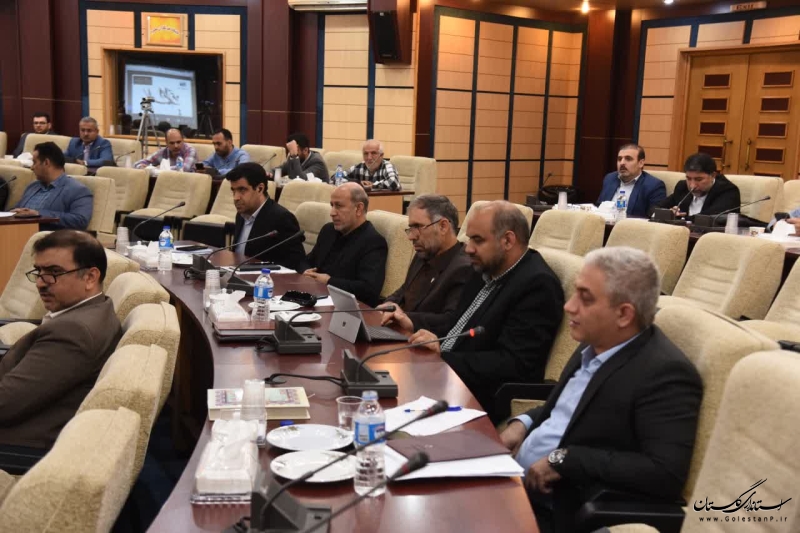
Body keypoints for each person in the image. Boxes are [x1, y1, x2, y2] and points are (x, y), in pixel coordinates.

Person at [499, 247, 703, 533]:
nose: (569, 306)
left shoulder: (665, 374)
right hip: (514, 485)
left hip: (557, 512)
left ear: (624, 314)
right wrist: (524, 422)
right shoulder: (595, 341)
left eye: (585, 298)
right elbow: (569, 410)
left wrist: (566, 459)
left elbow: (663, 473)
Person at [408, 201, 564, 421]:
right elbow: (457, 323)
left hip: (479, 397)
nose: (468, 248)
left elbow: (513, 364)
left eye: (478, 240)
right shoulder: (484, 269)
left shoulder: (537, 285)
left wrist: (442, 357)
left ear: (508, 240)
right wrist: (428, 335)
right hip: (444, 378)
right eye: (469, 239)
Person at [0, 230, 122, 453]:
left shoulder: (73, 333)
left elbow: (4, 404)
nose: (40, 283)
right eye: (39, 271)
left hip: (18, 445)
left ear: (90, 277)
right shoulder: (98, 308)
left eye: (54, 272)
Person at [378, 195, 472, 334]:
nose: (411, 236)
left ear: (443, 226)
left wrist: (405, 317)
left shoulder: (464, 268)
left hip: (423, 341)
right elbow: (405, 290)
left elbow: (450, 321)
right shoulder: (424, 253)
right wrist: (389, 304)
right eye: (411, 228)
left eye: (418, 226)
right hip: (396, 331)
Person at [304, 182, 387, 307]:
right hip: (315, 298)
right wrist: (306, 271)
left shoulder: (373, 242)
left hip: (347, 309)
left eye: (338, 206)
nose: (332, 212)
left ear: (358, 209)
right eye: (332, 205)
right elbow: (309, 260)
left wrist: (329, 281)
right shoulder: (328, 230)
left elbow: (368, 289)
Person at [227, 163, 308, 271]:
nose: (236, 197)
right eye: (233, 190)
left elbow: (295, 264)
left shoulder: (281, 218)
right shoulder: (241, 215)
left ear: (260, 188)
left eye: (242, 190)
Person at [12, 142, 93, 230]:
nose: (32, 167)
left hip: (47, 236)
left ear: (46, 162)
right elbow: (17, 209)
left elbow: (80, 221)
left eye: (34, 162)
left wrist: (38, 214)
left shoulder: (77, 190)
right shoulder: (33, 186)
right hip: (16, 232)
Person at [655, 152, 741, 219]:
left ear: (713, 176)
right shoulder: (682, 187)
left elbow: (708, 218)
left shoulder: (728, 191)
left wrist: (677, 218)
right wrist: (668, 213)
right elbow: (655, 208)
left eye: (698, 179)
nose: (692, 186)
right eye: (689, 178)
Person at [596, 144, 666, 218]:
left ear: (641, 163)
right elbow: (599, 206)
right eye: (619, 159)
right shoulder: (610, 178)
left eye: (628, 159)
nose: (622, 163)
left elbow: (655, 218)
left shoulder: (654, 186)